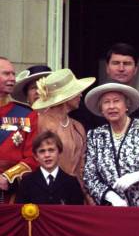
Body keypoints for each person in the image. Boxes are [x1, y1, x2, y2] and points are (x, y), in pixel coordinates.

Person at [83, 83, 139, 207]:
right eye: (106, 102)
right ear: (101, 109)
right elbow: (90, 177)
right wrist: (110, 196)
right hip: (112, 211)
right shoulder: (95, 135)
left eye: (116, 101)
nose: (111, 106)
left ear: (126, 105)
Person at [31, 69, 95, 203]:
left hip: (73, 194)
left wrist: (86, 196)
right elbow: (34, 158)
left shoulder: (78, 126)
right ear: (66, 96)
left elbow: (81, 166)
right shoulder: (39, 122)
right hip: (46, 194)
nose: (81, 95)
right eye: (76, 92)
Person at [71, 43, 139, 131]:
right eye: (116, 63)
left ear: (135, 70)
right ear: (107, 68)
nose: (121, 68)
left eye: (127, 63)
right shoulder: (88, 109)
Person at [0, 57, 38, 204]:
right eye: (6, 74)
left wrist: (8, 177)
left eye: (13, 74)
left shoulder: (27, 114)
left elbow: (34, 157)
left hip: (11, 193)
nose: (12, 78)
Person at [16, 131, 84, 205]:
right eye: (42, 151)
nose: (47, 155)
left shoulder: (72, 183)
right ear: (36, 157)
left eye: (51, 150)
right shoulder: (27, 183)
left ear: (59, 153)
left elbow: (77, 213)